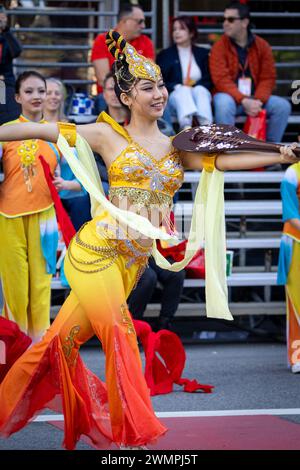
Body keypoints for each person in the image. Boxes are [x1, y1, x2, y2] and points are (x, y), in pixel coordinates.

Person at [0, 30, 298, 451]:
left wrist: (282, 152)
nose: (159, 93)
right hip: (95, 254)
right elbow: (45, 130)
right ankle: (132, 436)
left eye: (161, 85)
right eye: (148, 87)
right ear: (125, 93)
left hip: (129, 264)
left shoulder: (177, 146)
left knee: (56, 344)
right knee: (121, 333)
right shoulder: (107, 135)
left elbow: (227, 159)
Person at [0, 71, 60, 342]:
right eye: (29, 92)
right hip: (8, 216)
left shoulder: (58, 133)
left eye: (41, 91)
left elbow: (79, 180)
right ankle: (15, 352)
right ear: (17, 97)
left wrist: (68, 185)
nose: (37, 96)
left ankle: (40, 353)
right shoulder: (6, 132)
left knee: (40, 287)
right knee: (16, 288)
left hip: (45, 218)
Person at [209, 1, 291, 143]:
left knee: (282, 106)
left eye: (231, 19)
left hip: (256, 99)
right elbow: (221, 79)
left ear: (244, 22)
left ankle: (270, 152)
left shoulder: (262, 46)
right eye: (224, 19)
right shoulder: (219, 46)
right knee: (223, 103)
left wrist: (257, 101)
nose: (225, 23)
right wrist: (243, 100)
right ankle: (227, 152)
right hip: (231, 98)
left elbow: (268, 77)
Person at [44, 77, 91, 231]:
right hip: (44, 192)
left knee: (82, 202)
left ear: (63, 97)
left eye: (57, 93)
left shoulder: (70, 127)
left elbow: (83, 172)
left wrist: (65, 185)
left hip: (72, 191)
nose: (53, 96)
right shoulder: (34, 128)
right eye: (48, 92)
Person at [91, 2, 154, 114]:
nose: (143, 26)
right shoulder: (102, 40)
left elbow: (150, 75)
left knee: (155, 97)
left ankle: (165, 130)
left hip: (138, 94)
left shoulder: (146, 42)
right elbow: (103, 79)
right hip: (111, 94)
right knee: (102, 99)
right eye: (139, 21)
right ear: (124, 21)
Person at [157, 15, 213, 130]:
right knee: (183, 90)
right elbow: (160, 80)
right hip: (176, 96)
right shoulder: (165, 55)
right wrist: (177, 86)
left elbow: (209, 79)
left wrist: (195, 87)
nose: (177, 32)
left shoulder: (203, 53)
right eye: (174, 29)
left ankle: (206, 127)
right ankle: (186, 127)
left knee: (201, 90)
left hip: (198, 95)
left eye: (181, 29)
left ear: (191, 33)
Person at [277, 162, 300, 374]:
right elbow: (291, 214)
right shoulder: (293, 172)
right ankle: (297, 356)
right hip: (296, 241)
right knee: (297, 299)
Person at [94, 72, 129, 196]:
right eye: (111, 89)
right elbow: (95, 163)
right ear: (103, 94)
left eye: (120, 88)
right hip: (108, 181)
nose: (115, 93)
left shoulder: (141, 123)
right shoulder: (96, 125)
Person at [128, 255, 185, 331]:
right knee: (148, 277)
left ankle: (163, 324)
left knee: (177, 273)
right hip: (125, 256)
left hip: (149, 255)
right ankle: (133, 324)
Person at [0, 6, 23, 124]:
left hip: (4, 84)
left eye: (2, 18)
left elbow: (17, 51)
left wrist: (5, 30)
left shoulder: (6, 37)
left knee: (8, 112)